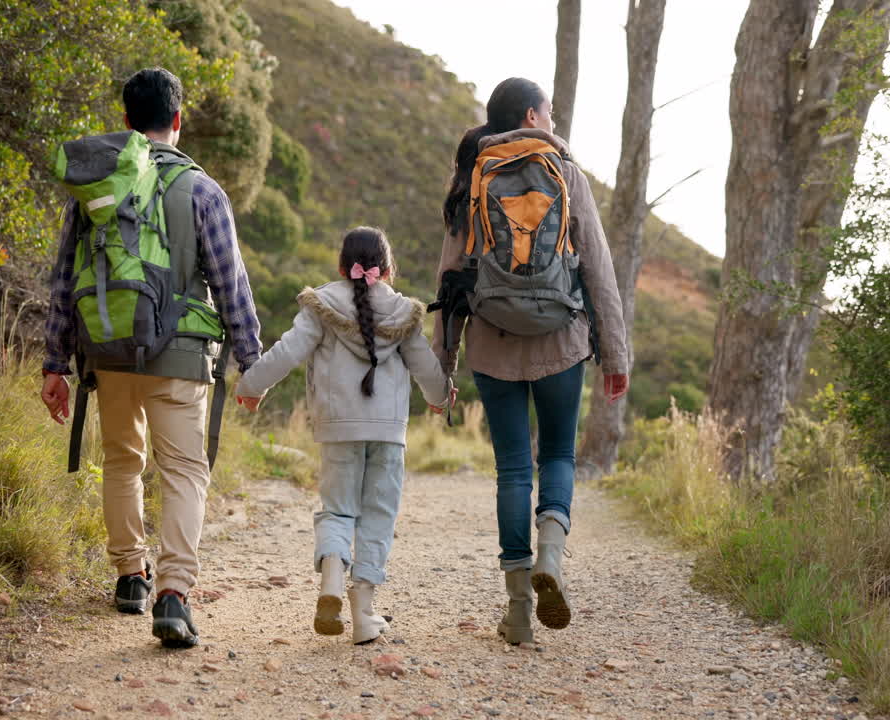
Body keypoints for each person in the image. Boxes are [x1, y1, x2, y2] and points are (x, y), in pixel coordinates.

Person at [40, 67, 262, 649]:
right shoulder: (203, 190)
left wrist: (53, 364)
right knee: (184, 470)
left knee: (121, 460)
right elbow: (231, 285)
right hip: (181, 357)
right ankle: (173, 594)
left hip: (107, 351)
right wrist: (251, 361)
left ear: (126, 121)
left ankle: (129, 577)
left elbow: (64, 280)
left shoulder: (98, 188)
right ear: (178, 120)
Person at [434, 77, 630, 645]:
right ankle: (552, 554)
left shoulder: (471, 178)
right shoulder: (566, 173)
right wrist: (615, 354)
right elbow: (598, 270)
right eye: (549, 111)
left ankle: (519, 608)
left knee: (514, 469)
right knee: (559, 456)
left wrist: (441, 370)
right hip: (561, 341)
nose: (552, 120)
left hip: (492, 344)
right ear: (531, 115)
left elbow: (449, 281)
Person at [234, 227, 453, 644]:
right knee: (378, 516)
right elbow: (426, 366)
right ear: (388, 270)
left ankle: (331, 583)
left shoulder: (322, 304)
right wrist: (440, 397)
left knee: (336, 510)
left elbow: (287, 350)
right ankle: (364, 614)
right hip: (388, 434)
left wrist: (251, 386)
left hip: (337, 429)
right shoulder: (403, 312)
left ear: (341, 266)